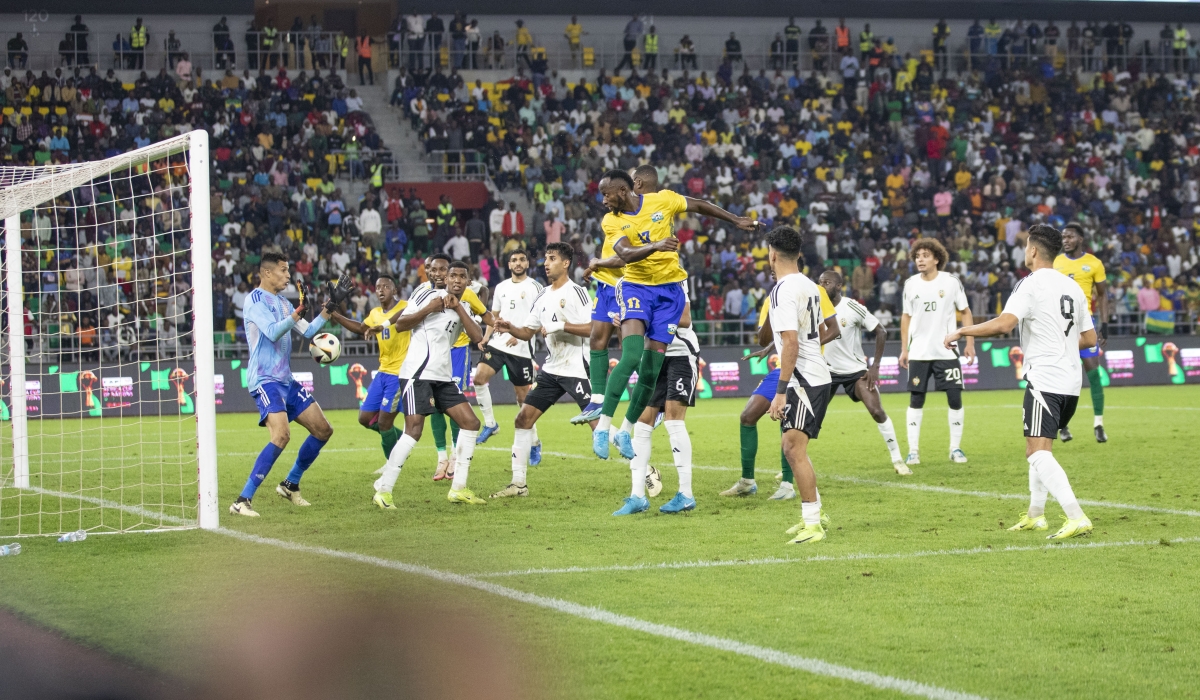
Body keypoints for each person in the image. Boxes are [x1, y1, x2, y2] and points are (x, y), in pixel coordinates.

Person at [580, 169, 757, 504]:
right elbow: (626, 254)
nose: (603, 201)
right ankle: (605, 427)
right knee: (631, 356)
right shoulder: (611, 221)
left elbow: (700, 205)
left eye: (607, 194)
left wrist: (735, 220)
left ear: (625, 188)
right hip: (635, 287)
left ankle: (627, 435)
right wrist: (658, 244)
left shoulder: (663, 201)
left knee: (647, 369)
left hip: (669, 295)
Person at [946, 224, 1095, 540]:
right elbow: (1090, 338)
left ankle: (1076, 515)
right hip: (1071, 381)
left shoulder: (1030, 284)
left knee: (1037, 451)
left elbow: (1005, 324)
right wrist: (1060, 341)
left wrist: (962, 331)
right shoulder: (1072, 287)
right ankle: (1035, 515)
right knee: (1038, 447)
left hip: (1045, 378)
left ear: (1033, 250)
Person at [371, 261, 487, 507]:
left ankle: (458, 488)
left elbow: (478, 337)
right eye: (451, 275)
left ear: (468, 282)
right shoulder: (427, 294)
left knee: (471, 423)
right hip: (417, 374)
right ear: (445, 278)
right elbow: (401, 325)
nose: (455, 280)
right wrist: (430, 309)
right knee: (413, 430)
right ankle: (384, 489)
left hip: (442, 377)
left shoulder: (464, 305)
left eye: (461, 277)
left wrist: (459, 307)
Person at [230, 253, 336, 517]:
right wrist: (297, 312)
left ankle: (290, 483)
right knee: (281, 435)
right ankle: (242, 500)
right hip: (265, 380)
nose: (288, 275)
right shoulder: (254, 300)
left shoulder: (283, 303)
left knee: (323, 430)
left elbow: (309, 332)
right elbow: (274, 331)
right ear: (267, 273)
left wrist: (328, 309)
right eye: (283, 270)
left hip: (286, 380)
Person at [490, 243, 597, 498]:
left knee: (598, 426)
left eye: (552, 258)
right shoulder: (543, 296)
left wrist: (561, 325)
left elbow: (593, 328)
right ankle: (518, 484)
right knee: (522, 419)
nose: (546, 263)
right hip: (551, 370)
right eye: (546, 258)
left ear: (566, 263)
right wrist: (509, 327)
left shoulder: (578, 293)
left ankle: (646, 469)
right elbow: (527, 332)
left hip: (577, 368)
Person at [722, 263, 837, 499]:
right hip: (783, 367)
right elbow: (767, 335)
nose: (771, 269)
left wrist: (808, 348)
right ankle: (747, 481)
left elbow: (829, 329)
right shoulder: (774, 295)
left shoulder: (814, 290)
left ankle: (787, 485)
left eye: (774, 265)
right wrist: (771, 316)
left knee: (789, 431)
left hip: (804, 370)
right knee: (748, 415)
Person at [765, 226, 833, 544]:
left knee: (793, 448)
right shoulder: (809, 285)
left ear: (773, 254)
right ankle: (814, 515)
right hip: (813, 376)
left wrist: (780, 392)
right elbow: (817, 330)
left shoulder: (781, 290)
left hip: (804, 380)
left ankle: (813, 524)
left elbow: (790, 342)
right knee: (794, 449)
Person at [409, 254, 494, 480]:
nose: (437, 274)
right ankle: (441, 458)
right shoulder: (423, 293)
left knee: (456, 404)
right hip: (433, 355)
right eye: (432, 269)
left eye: (441, 270)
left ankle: (456, 456)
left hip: (458, 352)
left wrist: (502, 328)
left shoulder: (466, 293)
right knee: (435, 407)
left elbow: (485, 315)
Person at [818, 270, 907, 474]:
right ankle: (789, 468)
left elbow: (881, 331)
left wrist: (875, 366)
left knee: (876, 411)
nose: (822, 285)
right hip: (826, 371)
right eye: (820, 282)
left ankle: (898, 460)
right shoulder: (814, 308)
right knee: (810, 419)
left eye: (828, 282)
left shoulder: (852, 307)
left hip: (855, 371)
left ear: (839, 286)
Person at [899, 239, 975, 467]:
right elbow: (906, 317)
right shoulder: (910, 284)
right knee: (916, 399)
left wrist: (969, 342)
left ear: (936, 259)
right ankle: (913, 451)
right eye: (917, 256)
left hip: (947, 351)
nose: (920, 259)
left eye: (925, 255)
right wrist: (905, 349)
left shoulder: (951, 282)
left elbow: (965, 311)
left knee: (954, 398)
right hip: (919, 353)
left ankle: (955, 448)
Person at [623, 320, 702, 515]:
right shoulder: (638, 287)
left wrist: (644, 317)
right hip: (652, 353)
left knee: (673, 421)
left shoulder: (675, 286)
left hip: (681, 353)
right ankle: (637, 496)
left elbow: (685, 318)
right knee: (642, 422)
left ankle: (686, 494)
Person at [326, 275, 407, 459]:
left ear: (394, 291)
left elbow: (407, 313)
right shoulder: (375, 313)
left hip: (399, 373)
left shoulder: (405, 307)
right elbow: (361, 328)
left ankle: (391, 467)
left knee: (385, 423)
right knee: (365, 418)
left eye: (386, 286)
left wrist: (383, 326)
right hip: (382, 372)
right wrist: (334, 314)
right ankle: (403, 441)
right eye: (378, 287)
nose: (381, 290)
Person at [474, 249, 543, 449]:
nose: (518, 263)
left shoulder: (536, 287)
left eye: (522, 259)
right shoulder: (502, 287)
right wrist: (486, 338)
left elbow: (541, 319)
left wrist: (519, 335)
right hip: (498, 343)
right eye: (514, 260)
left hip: (521, 348)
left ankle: (535, 441)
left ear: (527, 264)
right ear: (509, 265)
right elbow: (493, 317)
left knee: (523, 399)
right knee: (479, 378)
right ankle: (490, 424)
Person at [1054, 222, 1110, 443]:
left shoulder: (1094, 263)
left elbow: (1103, 295)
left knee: (1093, 374)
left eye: (1069, 237)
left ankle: (1099, 424)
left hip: (1085, 324)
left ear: (1080, 239)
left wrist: (1104, 324)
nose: (1065, 240)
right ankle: (1063, 425)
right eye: (1063, 237)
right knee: (1062, 375)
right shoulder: (1056, 262)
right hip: (1061, 326)